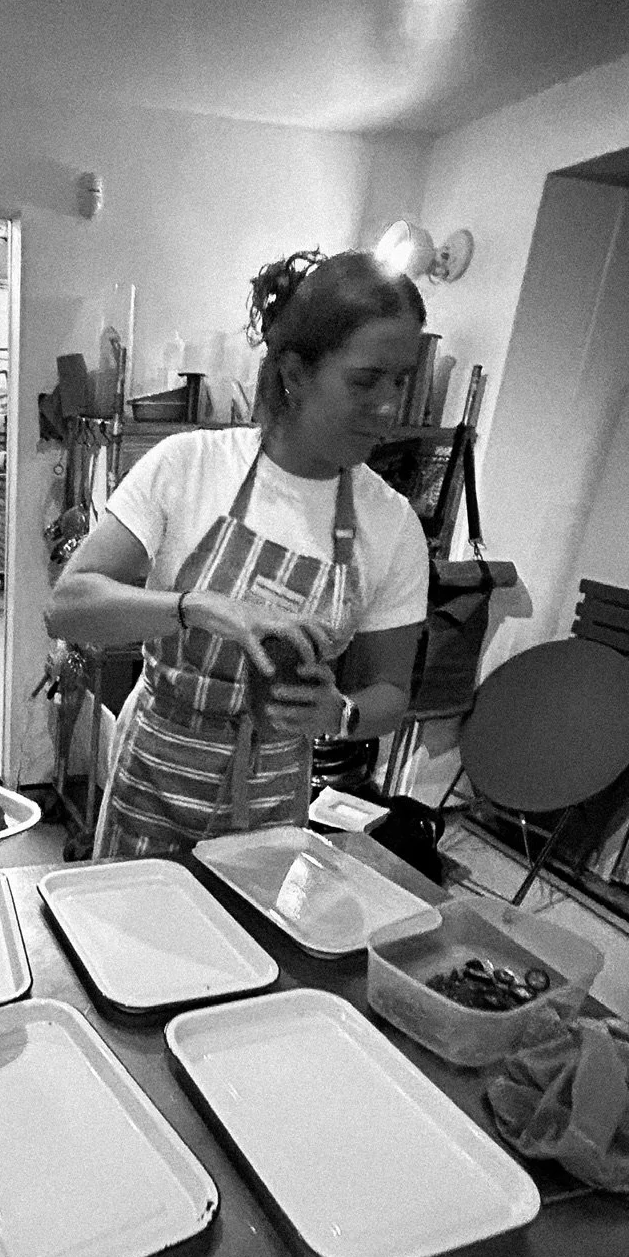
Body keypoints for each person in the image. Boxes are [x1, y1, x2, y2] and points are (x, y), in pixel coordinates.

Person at [44, 248, 429, 859]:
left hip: (273, 800)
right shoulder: (188, 467)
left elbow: (391, 690)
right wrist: (197, 607)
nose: (388, 406)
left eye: (401, 381)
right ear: (295, 374)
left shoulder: (393, 524)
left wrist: (342, 713)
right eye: (365, 380)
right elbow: (68, 607)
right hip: (154, 778)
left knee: (255, 953)